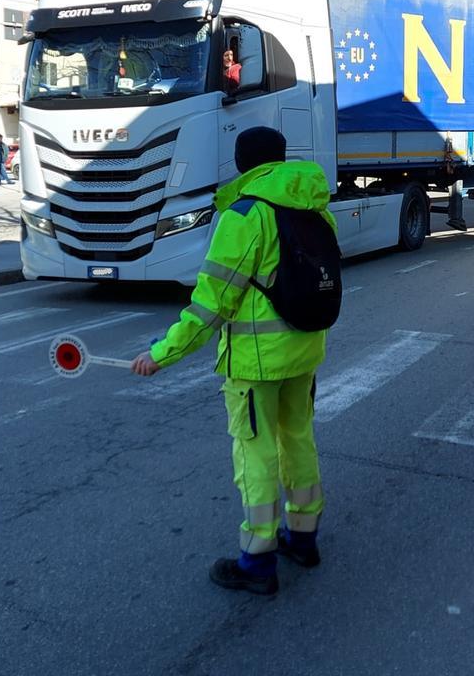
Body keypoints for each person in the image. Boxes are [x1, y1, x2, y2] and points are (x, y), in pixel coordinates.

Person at [130, 127, 334, 596]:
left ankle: (257, 561)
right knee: (298, 441)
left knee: (256, 454)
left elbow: (211, 304)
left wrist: (162, 354)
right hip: (304, 349)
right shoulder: (314, 206)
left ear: (243, 165)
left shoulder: (245, 216)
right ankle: (303, 537)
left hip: (256, 363)